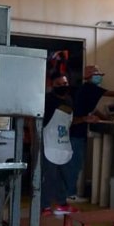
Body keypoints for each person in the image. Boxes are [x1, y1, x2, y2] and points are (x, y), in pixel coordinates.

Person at [66, 65, 114, 202]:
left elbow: (93, 110)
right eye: (96, 74)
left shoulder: (87, 90)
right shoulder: (90, 88)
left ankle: (71, 193)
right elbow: (113, 94)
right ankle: (70, 194)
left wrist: (107, 120)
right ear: (88, 76)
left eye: (100, 74)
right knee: (75, 163)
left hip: (78, 130)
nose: (99, 77)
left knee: (77, 162)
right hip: (76, 130)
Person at [41, 74, 78, 215]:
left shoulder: (69, 100)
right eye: (60, 84)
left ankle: (62, 203)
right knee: (48, 177)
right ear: (53, 85)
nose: (63, 86)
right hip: (48, 143)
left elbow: (70, 121)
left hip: (63, 142)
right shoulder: (47, 100)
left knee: (64, 176)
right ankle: (45, 206)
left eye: (65, 83)